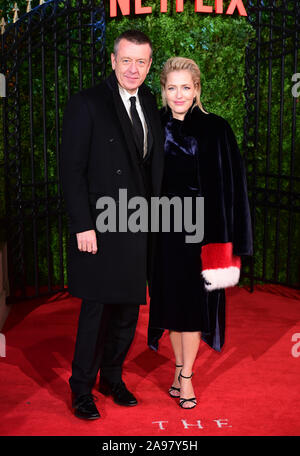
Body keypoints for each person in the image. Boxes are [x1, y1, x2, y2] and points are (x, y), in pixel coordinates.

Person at [60, 30, 164, 420]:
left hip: (139, 224)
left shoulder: (150, 101)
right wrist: (82, 225)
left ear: (149, 65)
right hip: (101, 227)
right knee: (96, 310)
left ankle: (112, 378)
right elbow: (71, 171)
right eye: (126, 60)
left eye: (141, 61)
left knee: (127, 310)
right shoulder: (87, 103)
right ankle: (81, 388)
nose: (133, 68)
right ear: (112, 60)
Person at [148, 57, 253, 409]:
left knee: (193, 307)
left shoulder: (216, 129)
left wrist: (231, 240)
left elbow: (232, 187)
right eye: (172, 87)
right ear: (163, 90)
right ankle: (178, 369)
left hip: (201, 234)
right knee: (170, 305)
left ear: (197, 90)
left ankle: (187, 377)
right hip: (162, 231)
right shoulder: (152, 126)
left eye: (186, 87)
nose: (179, 94)